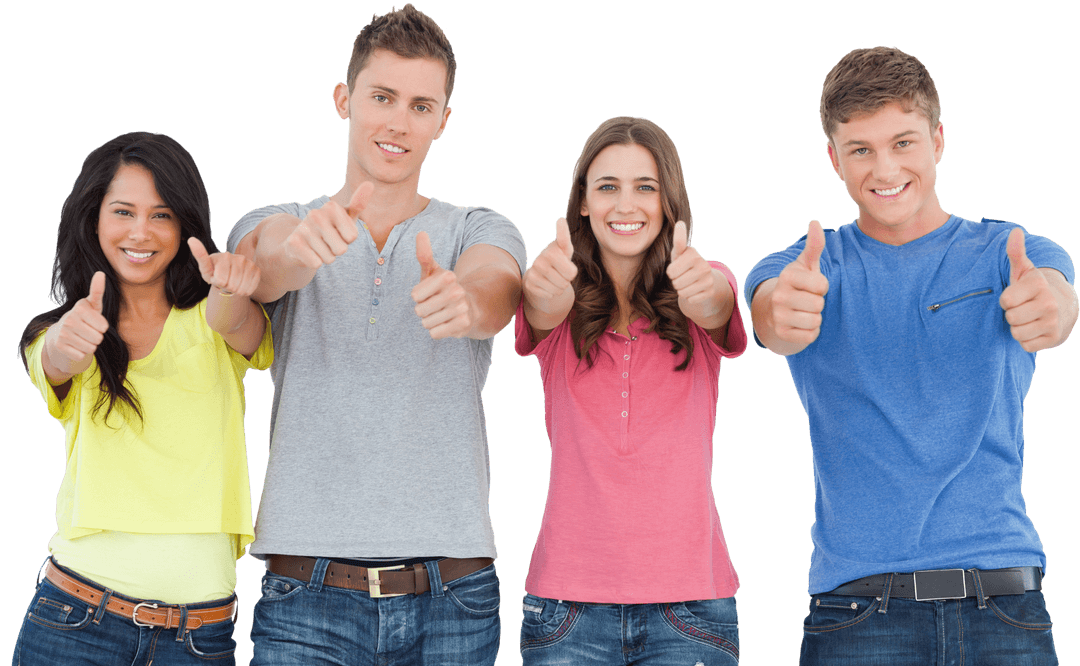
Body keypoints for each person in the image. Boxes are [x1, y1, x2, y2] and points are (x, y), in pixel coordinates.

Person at [745, 46, 1079, 665]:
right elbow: (771, 318)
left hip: (1004, 602)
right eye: (860, 149)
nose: (884, 167)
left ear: (938, 140)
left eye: (903, 142)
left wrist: (1053, 307)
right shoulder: (802, 269)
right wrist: (781, 314)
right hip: (858, 613)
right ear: (833, 159)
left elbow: (1056, 302)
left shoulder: (1011, 251)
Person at [226, 5, 526, 664]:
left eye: (422, 106)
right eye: (382, 97)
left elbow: (498, 286)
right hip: (305, 596)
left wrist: (466, 303)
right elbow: (264, 263)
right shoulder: (282, 218)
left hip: (456, 598)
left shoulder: (477, 226)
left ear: (443, 121)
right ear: (344, 99)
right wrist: (300, 253)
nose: (399, 121)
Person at [12, 131, 271, 666]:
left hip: (199, 638)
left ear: (185, 224)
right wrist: (69, 337)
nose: (140, 232)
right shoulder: (60, 331)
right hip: (74, 618)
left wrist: (231, 290)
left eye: (161, 215)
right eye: (123, 211)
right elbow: (57, 358)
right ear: (94, 218)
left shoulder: (213, 319)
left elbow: (240, 324)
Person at [515, 116, 747, 665]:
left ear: (669, 202)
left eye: (645, 187)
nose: (627, 205)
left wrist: (701, 290)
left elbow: (716, 302)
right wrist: (542, 289)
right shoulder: (556, 297)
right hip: (565, 608)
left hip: (691, 607)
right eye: (608, 188)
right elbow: (540, 309)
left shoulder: (703, 284)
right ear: (584, 204)